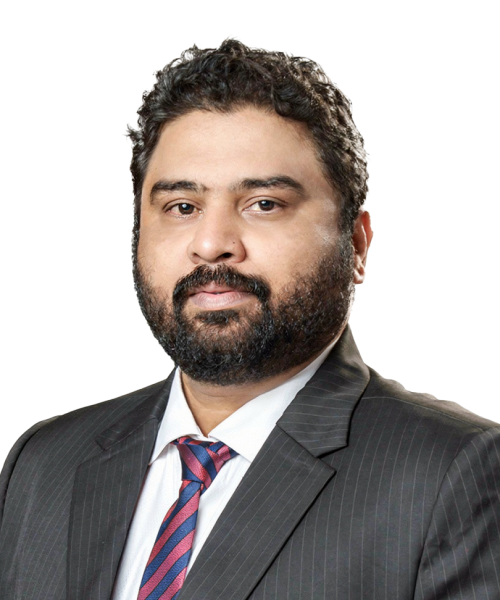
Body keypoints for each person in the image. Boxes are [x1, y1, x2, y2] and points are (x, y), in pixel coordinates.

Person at [0, 39, 499, 600]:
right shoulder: (43, 463)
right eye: (182, 207)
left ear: (356, 244)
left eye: (263, 203)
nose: (211, 244)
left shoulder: (455, 473)